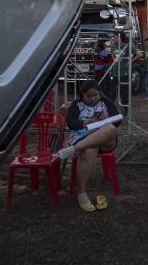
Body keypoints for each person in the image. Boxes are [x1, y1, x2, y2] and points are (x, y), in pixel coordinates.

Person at [57, 80, 121, 211]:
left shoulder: (105, 101)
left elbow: (118, 121)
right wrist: (87, 121)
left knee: (110, 128)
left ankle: (74, 149)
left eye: (95, 95)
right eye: (89, 96)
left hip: (105, 140)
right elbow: (71, 123)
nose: (93, 98)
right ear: (82, 96)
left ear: (99, 93)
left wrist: (107, 117)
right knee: (87, 152)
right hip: (84, 137)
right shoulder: (76, 104)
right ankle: (82, 195)